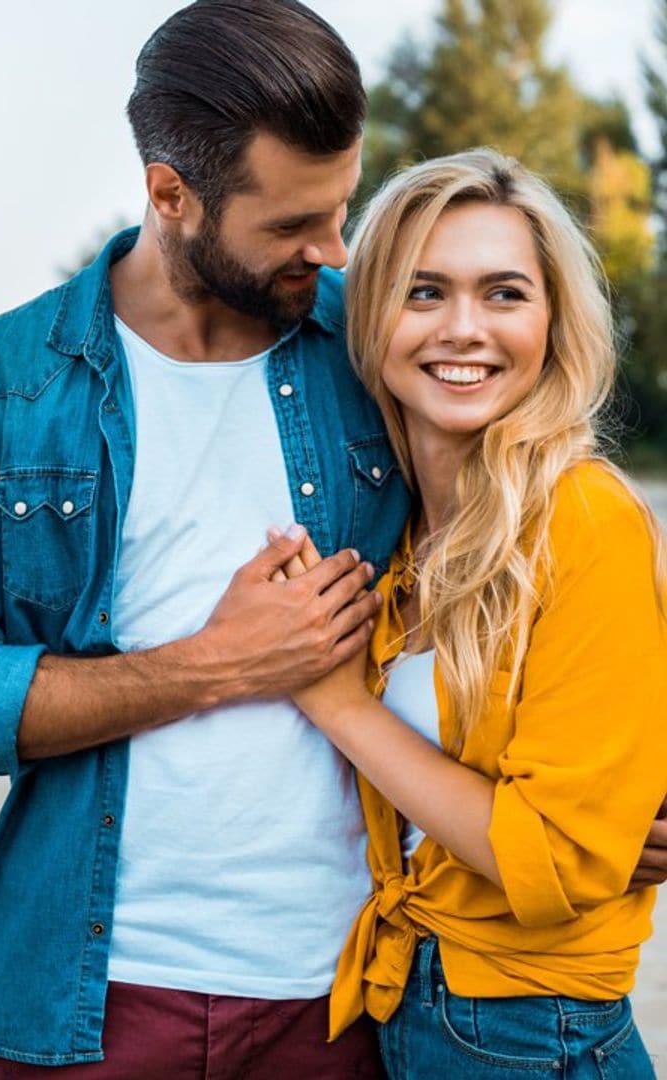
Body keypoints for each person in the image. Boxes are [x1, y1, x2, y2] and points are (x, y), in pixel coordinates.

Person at [0, 3, 667, 1075]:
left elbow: (549, 578)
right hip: (83, 989)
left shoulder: (380, 342)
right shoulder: (2, 384)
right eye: (296, 223)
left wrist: (616, 803)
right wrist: (210, 666)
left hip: (350, 995)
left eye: (343, 208)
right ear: (172, 194)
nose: (336, 250)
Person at [280, 149, 667, 1076]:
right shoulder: (405, 536)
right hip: (418, 1002)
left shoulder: (579, 517)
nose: (465, 330)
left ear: (552, 320)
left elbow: (563, 860)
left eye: (504, 294)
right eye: (423, 293)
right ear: (369, 320)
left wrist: (339, 705)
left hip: (533, 1031)